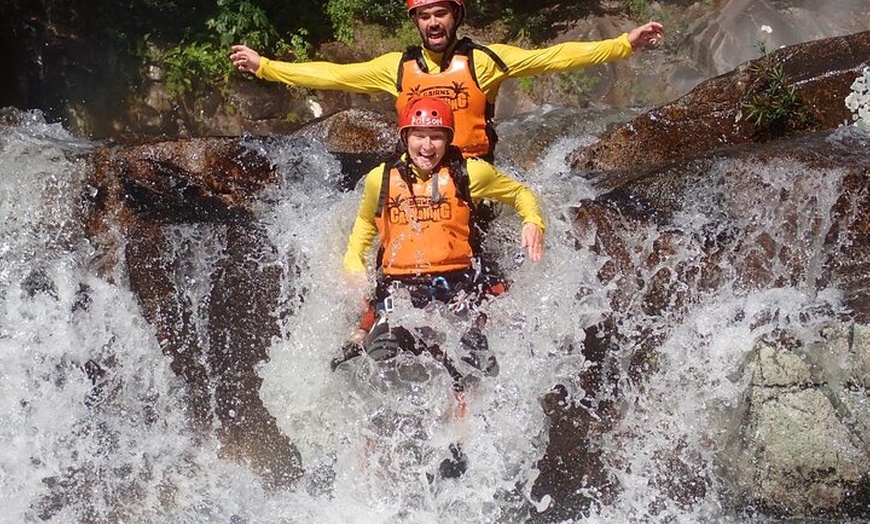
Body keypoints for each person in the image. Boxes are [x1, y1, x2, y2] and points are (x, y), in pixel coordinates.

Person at [230, 0, 664, 161]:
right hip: (418, 172)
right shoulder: (395, 67)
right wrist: (267, 67)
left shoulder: (487, 60)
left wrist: (623, 44)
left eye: (441, 12)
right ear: (415, 21)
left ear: (455, 16)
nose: (434, 22)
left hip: (473, 173)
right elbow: (334, 74)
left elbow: (553, 57)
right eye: (425, 15)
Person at [332, 95, 543, 376]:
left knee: (477, 360)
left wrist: (532, 222)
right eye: (419, 136)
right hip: (401, 286)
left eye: (436, 137)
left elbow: (520, 193)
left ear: (449, 139)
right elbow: (366, 220)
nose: (427, 146)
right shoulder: (380, 178)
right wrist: (353, 260)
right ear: (405, 137)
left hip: (458, 284)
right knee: (380, 350)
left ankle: (467, 404)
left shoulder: (471, 173)